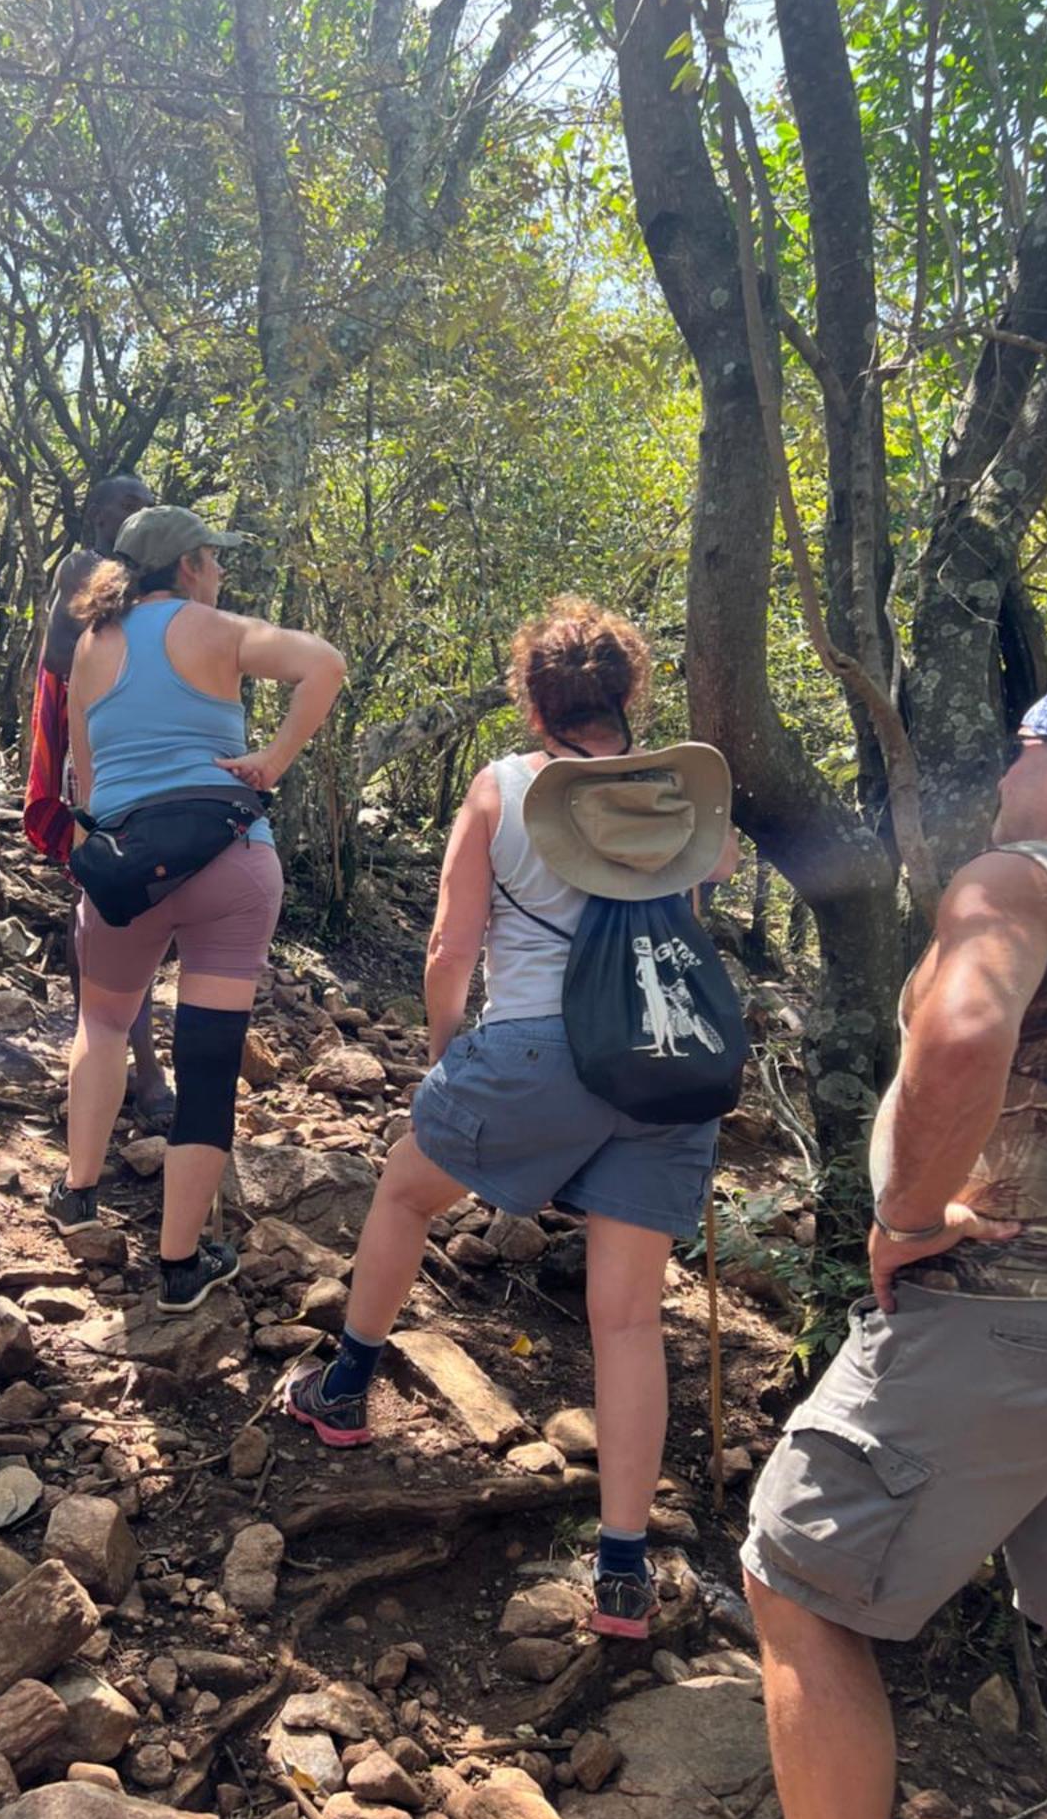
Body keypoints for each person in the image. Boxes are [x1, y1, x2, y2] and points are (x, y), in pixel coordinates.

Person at [740, 675, 1047, 1819]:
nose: (1013, 775)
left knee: (796, 1581)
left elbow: (965, 1035)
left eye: (1027, 748)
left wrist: (908, 1216)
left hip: (1006, 1311)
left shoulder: (1026, 879)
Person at [285, 597, 737, 1639]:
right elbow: (687, 923)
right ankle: (622, 1574)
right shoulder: (683, 794)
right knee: (627, 1316)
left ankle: (347, 1386)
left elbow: (452, 945)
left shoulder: (504, 787)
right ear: (632, 693)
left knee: (405, 1187)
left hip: (536, 1051)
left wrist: (448, 1049)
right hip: (667, 1067)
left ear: (533, 699)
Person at [47, 504, 346, 1313]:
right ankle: (180, 1264)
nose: (219, 572)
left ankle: (78, 1193)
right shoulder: (215, 629)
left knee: (103, 1025)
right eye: (214, 559)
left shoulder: (90, 645)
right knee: (209, 1063)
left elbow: (82, 775)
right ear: (187, 566)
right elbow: (325, 664)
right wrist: (272, 761)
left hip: (123, 870)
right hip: (229, 857)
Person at [24, 472, 174, 1124]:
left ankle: (105, 1048)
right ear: (95, 512)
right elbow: (60, 653)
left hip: (133, 752)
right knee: (114, 901)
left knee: (109, 904)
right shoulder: (85, 566)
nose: (138, 517)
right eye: (127, 505)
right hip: (96, 760)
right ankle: (139, 1069)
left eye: (149, 507)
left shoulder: (147, 580)